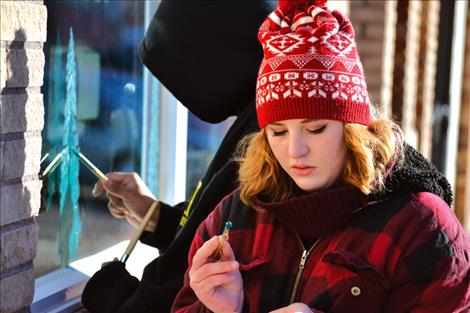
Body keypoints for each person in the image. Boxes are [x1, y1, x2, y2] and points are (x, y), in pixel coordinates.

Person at [171, 1, 470, 312]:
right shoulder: (234, 215)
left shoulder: (419, 225)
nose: (294, 151)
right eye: (278, 132)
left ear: (354, 129)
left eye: (315, 129)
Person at [81, 1, 276, 312]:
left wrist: (113, 293)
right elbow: (211, 228)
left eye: (187, 68)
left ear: (217, 51)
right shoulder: (264, 110)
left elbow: (188, 282)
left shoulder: (266, 138)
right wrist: (156, 215)